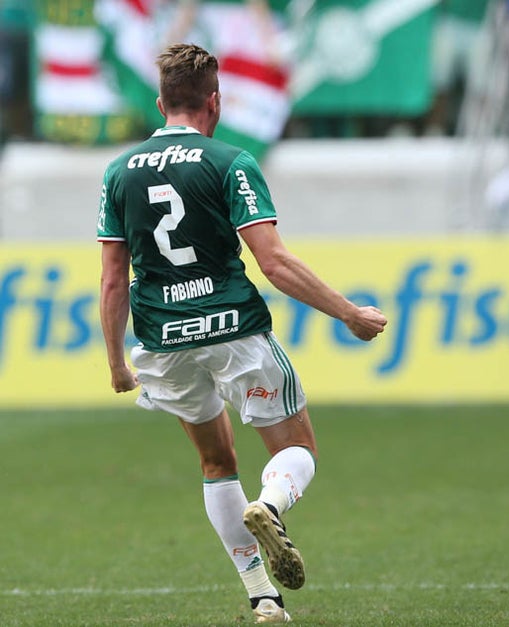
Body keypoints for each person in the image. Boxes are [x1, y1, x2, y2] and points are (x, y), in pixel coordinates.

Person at [97, 43, 388, 623]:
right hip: (232, 327)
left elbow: (111, 279)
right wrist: (349, 313)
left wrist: (116, 363)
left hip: (163, 340)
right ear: (216, 101)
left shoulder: (118, 172)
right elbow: (274, 263)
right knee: (297, 448)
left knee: (216, 462)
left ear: (160, 104)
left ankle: (262, 595)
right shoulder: (231, 161)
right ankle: (272, 505)